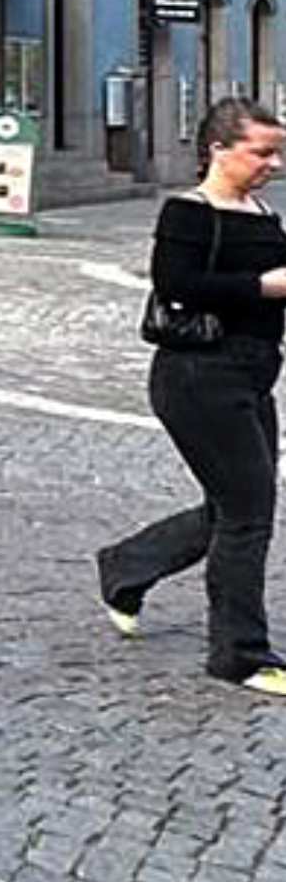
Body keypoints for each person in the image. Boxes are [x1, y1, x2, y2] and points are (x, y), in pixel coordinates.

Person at [98, 98, 286, 695]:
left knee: (232, 507)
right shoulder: (188, 213)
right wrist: (263, 286)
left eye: (277, 152)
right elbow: (176, 286)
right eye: (262, 151)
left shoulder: (261, 211)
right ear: (219, 149)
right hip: (197, 375)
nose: (274, 164)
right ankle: (239, 654)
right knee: (249, 512)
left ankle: (128, 566)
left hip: (254, 372)